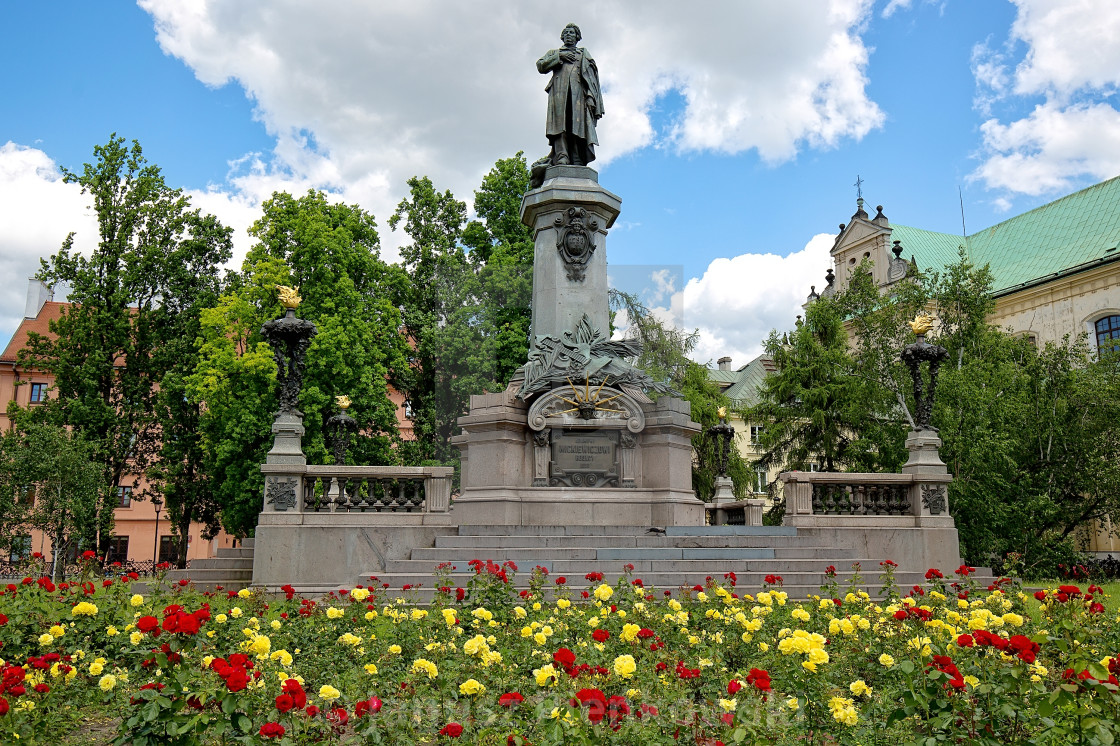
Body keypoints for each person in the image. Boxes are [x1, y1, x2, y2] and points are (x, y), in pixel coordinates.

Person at [537, 23, 604, 167]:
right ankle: (562, 156)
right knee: (559, 125)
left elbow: (591, 79)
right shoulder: (554, 53)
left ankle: (576, 156)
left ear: (578, 37)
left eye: (572, 33)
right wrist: (560, 56)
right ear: (562, 37)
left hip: (578, 96)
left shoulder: (583, 54)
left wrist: (591, 97)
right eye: (566, 32)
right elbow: (540, 66)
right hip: (558, 93)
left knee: (576, 125)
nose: (568, 35)